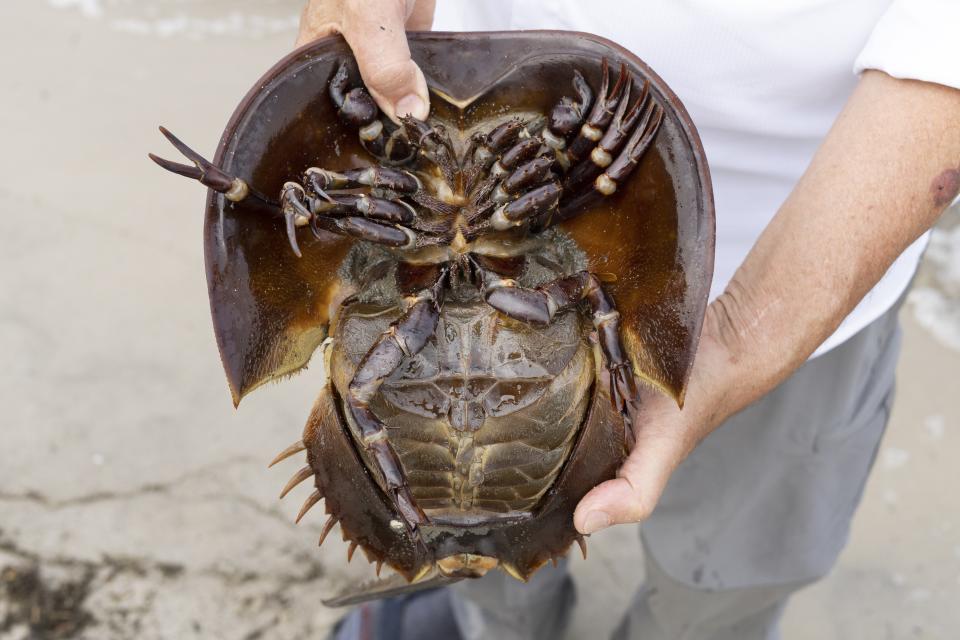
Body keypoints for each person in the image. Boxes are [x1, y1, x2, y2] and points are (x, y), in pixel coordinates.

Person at [296, 1, 960, 638]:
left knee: (731, 566)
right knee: (447, 525)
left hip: (803, 242)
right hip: (435, 115)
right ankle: (492, 626)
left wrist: (739, 334)